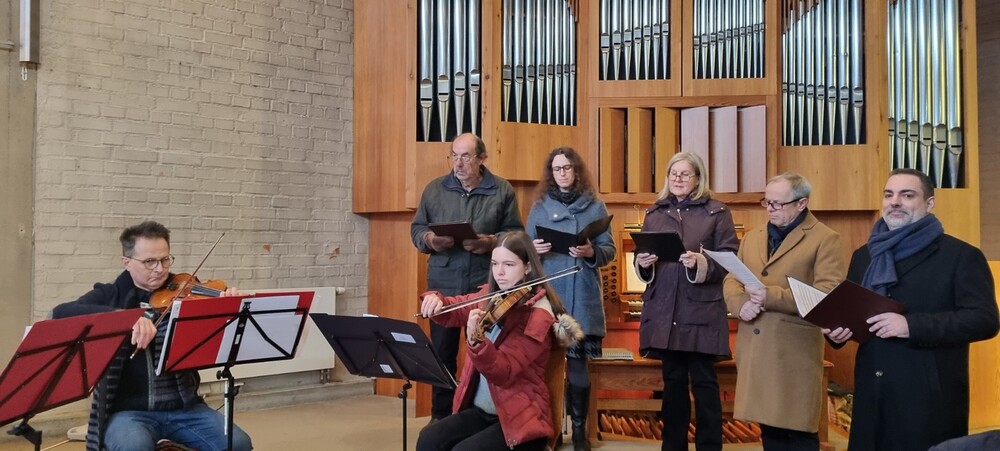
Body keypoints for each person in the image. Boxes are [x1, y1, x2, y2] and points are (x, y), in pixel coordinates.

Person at [823, 169, 999, 451]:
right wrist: (837, 332)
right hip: (873, 393)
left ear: (929, 203)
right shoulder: (864, 255)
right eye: (889, 195)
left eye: (907, 195)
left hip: (927, 399)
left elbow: (985, 320)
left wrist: (911, 326)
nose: (895, 202)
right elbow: (854, 311)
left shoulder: (961, 256)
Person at [51, 221, 253, 451]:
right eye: (149, 262)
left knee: (238, 444)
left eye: (165, 259)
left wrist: (231, 306)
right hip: (128, 412)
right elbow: (59, 313)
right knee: (134, 447)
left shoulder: (185, 291)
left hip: (185, 408)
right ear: (127, 262)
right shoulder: (111, 295)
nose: (160, 269)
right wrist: (124, 319)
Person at [415, 231, 583, 451]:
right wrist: (436, 300)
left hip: (521, 420)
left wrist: (477, 342)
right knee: (429, 438)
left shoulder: (538, 315)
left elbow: (504, 371)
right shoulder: (493, 295)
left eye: (509, 265)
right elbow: (455, 308)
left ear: (528, 267)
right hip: (483, 412)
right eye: (495, 263)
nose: (499, 272)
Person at [722, 173, 845, 451]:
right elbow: (732, 278)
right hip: (756, 349)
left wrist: (771, 296)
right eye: (767, 202)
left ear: (802, 203)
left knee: (798, 436)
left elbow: (827, 294)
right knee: (771, 435)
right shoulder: (753, 236)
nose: (770, 209)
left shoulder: (825, 239)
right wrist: (740, 304)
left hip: (793, 354)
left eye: (778, 203)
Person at [410, 133, 524, 420]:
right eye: (454, 156)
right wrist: (430, 240)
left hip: (484, 283)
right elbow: (417, 229)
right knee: (442, 355)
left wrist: (489, 243)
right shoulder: (434, 189)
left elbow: (515, 234)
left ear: (482, 158)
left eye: (466, 157)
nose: (458, 163)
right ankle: (440, 418)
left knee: (483, 351)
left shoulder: (502, 190)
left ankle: (476, 418)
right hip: (444, 282)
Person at [633, 152, 739, 451]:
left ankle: (709, 446)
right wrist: (643, 262)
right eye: (673, 174)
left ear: (698, 178)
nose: (677, 179)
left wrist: (700, 263)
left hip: (700, 311)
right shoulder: (655, 212)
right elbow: (642, 257)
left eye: (684, 174)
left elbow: (730, 258)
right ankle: (672, 446)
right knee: (673, 384)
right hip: (665, 310)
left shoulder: (717, 212)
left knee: (705, 385)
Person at [525, 147, 616, 451]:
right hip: (549, 295)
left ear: (576, 171)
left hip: (581, 293)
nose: (562, 173)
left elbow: (609, 250)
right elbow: (523, 249)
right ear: (551, 173)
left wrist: (591, 252)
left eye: (567, 168)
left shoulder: (595, 206)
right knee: (545, 368)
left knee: (578, 367)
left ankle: (579, 432)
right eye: (556, 169)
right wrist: (534, 249)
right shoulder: (540, 207)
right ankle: (546, 430)